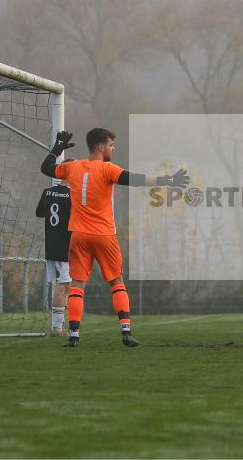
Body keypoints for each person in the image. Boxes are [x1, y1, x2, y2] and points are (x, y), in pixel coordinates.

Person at [40, 128, 189, 348]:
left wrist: (57, 148)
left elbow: (46, 168)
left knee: (78, 286)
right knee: (116, 282)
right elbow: (135, 179)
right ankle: (126, 332)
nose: (113, 149)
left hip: (79, 235)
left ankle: (73, 336)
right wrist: (168, 179)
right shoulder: (107, 169)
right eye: (111, 145)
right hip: (104, 234)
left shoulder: (73, 167)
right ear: (100, 147)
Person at [35, 170, 72, 336]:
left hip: (51, 244)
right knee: (63, 285)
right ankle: (57, 328)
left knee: (65, 285)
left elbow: (39, 213)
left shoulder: (47, 191)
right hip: (66, 245)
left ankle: (60, 325)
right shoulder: (75, 194)